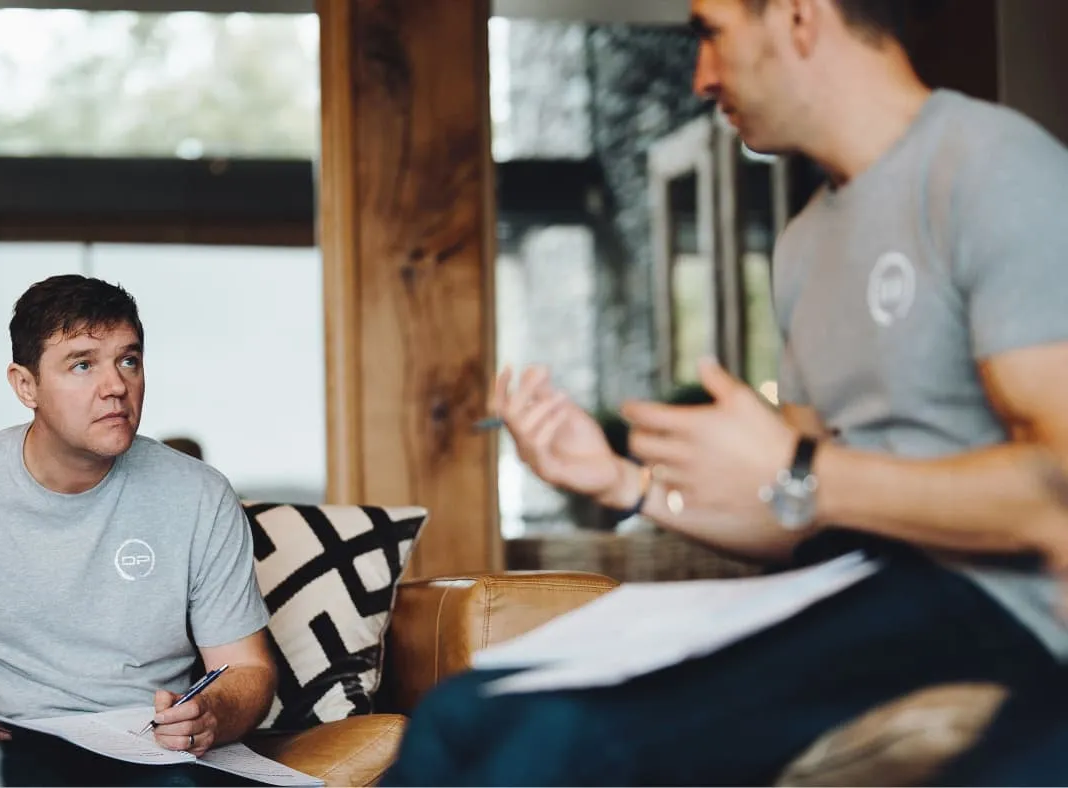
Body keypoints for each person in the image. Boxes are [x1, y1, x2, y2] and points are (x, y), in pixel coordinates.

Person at [381, 0, 1068, 784]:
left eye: (711, 32)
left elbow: (1057, 489)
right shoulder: (807, 242)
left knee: (557, 742)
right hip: (850, 589)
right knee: (456, 717)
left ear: (801, 18)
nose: (701, 78)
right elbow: (805, 518)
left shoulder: (992, 166)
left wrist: (802, 468)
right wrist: (624, 483)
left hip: (996, 611)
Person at [0, 275, 276, 786]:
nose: (117, 386)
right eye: (82, 365)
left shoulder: (202, 495)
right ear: (25, 385)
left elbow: (246, 669)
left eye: (129, 360)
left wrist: (210, 715)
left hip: (146, 752)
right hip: (5, 745)